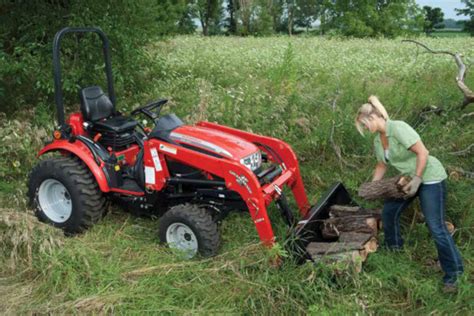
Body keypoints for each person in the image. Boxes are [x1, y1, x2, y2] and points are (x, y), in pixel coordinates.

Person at [355, 95, 464, 292]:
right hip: (407, 180)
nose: (365, 129)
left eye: (364, 125)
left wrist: (418, 179)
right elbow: (381, 165)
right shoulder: (379, 142)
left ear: (372, 118)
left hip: (429, 176)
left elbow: (423, 152)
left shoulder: (398, 128)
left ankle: (453, 275)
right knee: (389, 211)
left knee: (436, 227)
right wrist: (372, 187)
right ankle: (394, 249)